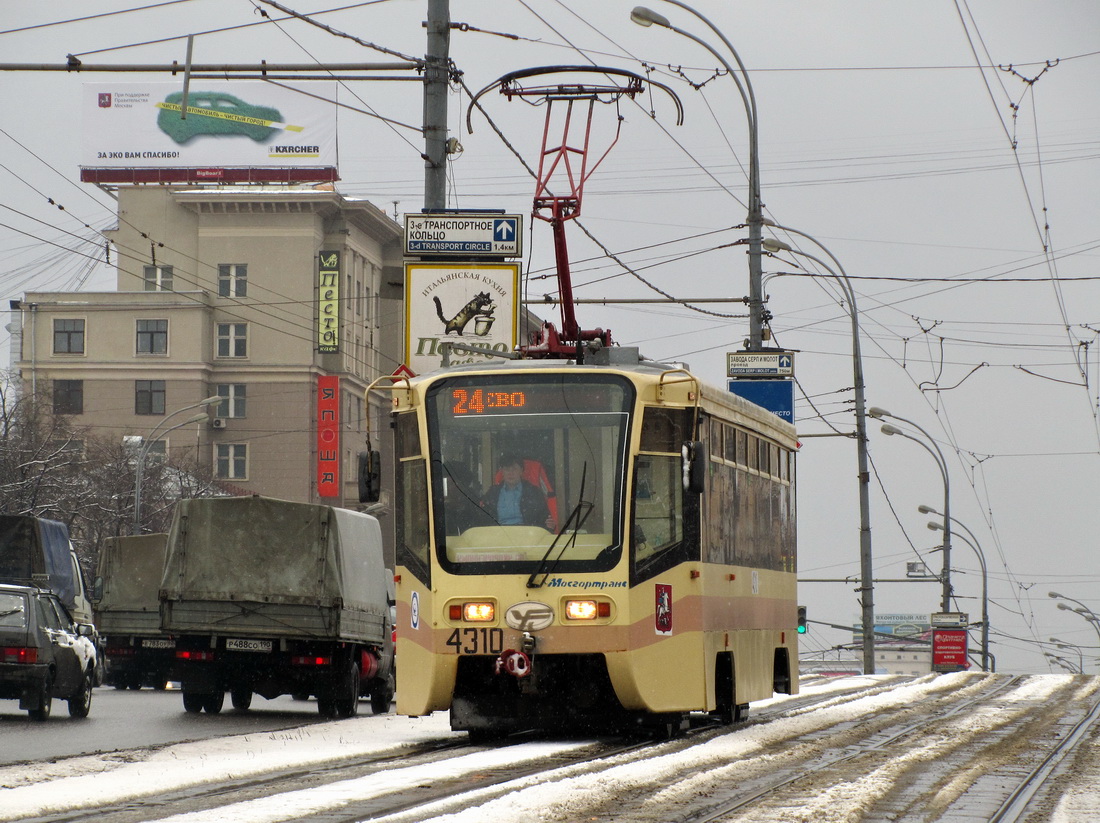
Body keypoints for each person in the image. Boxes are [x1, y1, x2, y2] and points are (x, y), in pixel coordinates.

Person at [482, 454, 554, 530]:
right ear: (502, 472)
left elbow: (544, 520)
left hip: (527, 537)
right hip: (498, 537)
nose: (510, 473)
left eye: (514, 469)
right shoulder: (492, 493)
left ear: (521, 471)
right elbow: (483, 519)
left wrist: (549, 525)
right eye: (507, 469)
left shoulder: (534, 492)